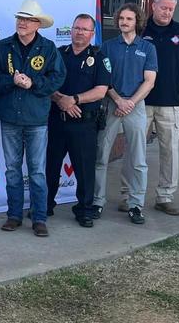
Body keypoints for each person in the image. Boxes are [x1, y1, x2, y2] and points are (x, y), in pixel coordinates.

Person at [0, 0, 66, 237]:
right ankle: (14, 215)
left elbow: (58, 77)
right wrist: (11, 81)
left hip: (37, 119)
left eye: (27, 19)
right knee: (12, 169)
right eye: (20, 18)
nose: (22, 23)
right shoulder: (3, 47)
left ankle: (39, 218)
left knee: (37, 171)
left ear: (37, 24)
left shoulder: (49, 48)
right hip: (10, 117)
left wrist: (34, 83)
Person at [126, 0, 179, 216]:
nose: (167, 12)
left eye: (171, 8)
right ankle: (129, 195)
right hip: (140, 100)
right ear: (153, 6)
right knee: (135, 149)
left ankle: (165, 196)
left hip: (169, 101)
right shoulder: (141, 30)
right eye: (163, 7)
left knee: (170, 151)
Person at [93, 3, 157, 224]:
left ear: (136, 22)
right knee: (101, 155)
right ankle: (97, 202)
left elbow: (150, 81)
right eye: (121, 19)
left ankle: (135, 205)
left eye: (129, 19)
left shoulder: (147, 48)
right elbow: (102, 78)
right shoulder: (108, 46)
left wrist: (130, 102)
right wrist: (119, 100)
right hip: (111, 104)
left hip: (136, 106)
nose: (124, 22)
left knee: (138, 159)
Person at [46, 14, 110, 228]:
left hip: (84, 124)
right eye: (76, 28)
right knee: (51, 166)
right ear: (71, 30)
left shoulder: (99, 58)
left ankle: (84, 210)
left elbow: (101, 91)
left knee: (84, 169)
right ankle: (45, 205)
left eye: (85, 29)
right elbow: (46, 82)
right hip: (57, 120)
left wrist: (74, 100)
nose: (80, 32)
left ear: (92, 34)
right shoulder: (58, 54)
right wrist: (61, 100)